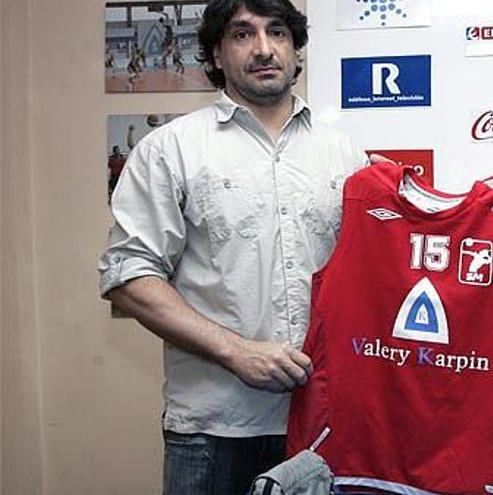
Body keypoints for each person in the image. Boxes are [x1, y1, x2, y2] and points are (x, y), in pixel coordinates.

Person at [97, 1, 368, 493]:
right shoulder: (170, 149)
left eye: (278, 32)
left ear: (295, 47)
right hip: (212, 431)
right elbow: (128, 276)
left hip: (324, 423)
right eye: (243, 34)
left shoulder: (344, 153)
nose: (264, 49)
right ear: (218, 54)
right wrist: (236, 352)